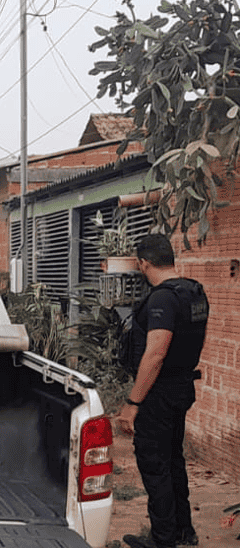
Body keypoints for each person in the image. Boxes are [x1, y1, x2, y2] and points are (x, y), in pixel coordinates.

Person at [116, 234, 208, 548]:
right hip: (182, 387)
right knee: (172, 461)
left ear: (144, 263)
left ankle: (163, 539)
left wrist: (133, 402)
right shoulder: (193, 292)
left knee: (155, 464)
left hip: (159, 393)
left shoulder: (162, 299)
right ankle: (183, 531)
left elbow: (156, 353)